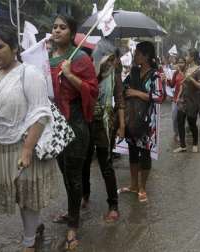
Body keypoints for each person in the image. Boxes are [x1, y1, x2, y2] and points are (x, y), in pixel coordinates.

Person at [0, 25, 57, 252]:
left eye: (0, 46)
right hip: (1, 145)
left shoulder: (29, 74)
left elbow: (41, 114)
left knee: (28, 195)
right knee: (19, 194)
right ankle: (36, 227)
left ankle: (29, 242)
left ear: (15, 48)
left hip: (24, 143)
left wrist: (27, 149)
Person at [49, 15, 98, 250]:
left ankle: (73, 225)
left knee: (75, 175)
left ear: (72, 33)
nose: (57, 30)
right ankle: (71, 211)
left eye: (62, 27)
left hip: (77, 124)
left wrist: (69, 75)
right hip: (56, 124)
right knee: (65, 174)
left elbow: (92, 90)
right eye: (55, 27)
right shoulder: (48, 58)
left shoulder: (80, 58)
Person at [81, 40, 125, 223]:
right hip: (86, 122)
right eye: (108, 57)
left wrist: (122, 126)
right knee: (84, 162)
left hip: (105, 124)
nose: (110, 61)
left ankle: (113, 205)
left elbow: (119, 99)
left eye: (112, 59)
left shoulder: (114, 75)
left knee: (105, 165)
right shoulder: (88, 70)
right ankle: (85, 194)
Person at [118, 41, 164, 203]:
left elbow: (159, 97)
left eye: (137, 53)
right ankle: (133, 185)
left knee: (145, 154)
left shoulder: (155, 75)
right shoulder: (134, 72)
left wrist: (136, 92)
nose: (135, 56)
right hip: (132, 119)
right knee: (132, 153)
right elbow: (123, 88)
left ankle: (143, 187)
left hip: (146, 123)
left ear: (146, 56)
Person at [173, 49, 200, 153]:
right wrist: (178, 96)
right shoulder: (187, 69)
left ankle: (195, 143)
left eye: (187, 56)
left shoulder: (198, 70)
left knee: (192, 124)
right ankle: (183, 145)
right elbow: (183, 85)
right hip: (183, 100)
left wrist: (192, 79)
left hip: (193, 101)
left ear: (192, 57)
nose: (186, 58)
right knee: (180, 121)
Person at [168, 56, 185, 141]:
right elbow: (172, 84)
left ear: (185, 63)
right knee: (174, 118)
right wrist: (166, 79)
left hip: (184, 100)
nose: (181, 64)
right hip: (175, 99)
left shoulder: (187, 73)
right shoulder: (175, 73)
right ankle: (176, 133)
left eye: (182, 62)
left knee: (181, 119)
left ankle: (181, 134)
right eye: (179, 62)